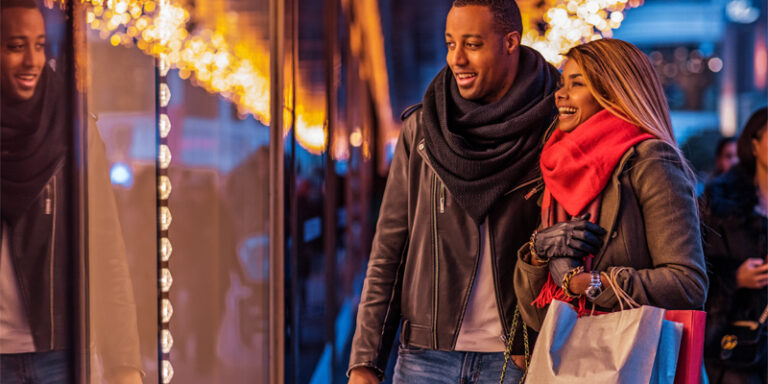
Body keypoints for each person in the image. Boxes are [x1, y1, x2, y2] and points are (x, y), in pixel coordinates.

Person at [347, 0, 560, 382]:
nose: (456, 58)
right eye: (450, 44)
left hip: (517, 358)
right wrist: (365, 359)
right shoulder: (423, 130)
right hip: (426, 357)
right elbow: (389, 251)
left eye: (472, 44)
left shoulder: (554, 126)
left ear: (510, 42)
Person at [513, 39, 707, 333]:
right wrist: (538, 255)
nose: (560, 95)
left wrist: (594, 283)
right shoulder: (557, 165)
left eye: (576, 85)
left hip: (631, 359)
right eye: (561, 84)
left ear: (613, 94)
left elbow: (688, 285)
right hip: (566, 359)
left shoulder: (649, 160)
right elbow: (537, 317)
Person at [1, 1, 142, 382]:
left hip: (60, 355)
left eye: (40, 45)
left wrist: (124, 362)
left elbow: (105, 248)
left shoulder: (72, 128)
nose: (32, 60)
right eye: (16, 46)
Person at [701, 107, 767, 384]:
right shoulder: (720, 201)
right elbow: (697, 269)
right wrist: (734, 278)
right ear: (754, 144)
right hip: (739, 347)